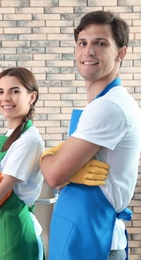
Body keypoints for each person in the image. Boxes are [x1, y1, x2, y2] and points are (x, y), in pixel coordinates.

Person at [40, 10, 141, 260]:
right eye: (83, 43)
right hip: (76, 234)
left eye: (101, 43)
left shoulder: (109, 107)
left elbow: (54, 175)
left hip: (94, 239)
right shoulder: (100, 104)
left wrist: (46, 157)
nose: (89, 51)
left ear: (121, 53)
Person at [0, 67, 45, 260]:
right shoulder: (7, 138)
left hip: (16, 236)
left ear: (32, 97)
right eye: (0, 91)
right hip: (0, 233)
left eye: (14, 91)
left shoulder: (28, 141)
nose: (5, 98)